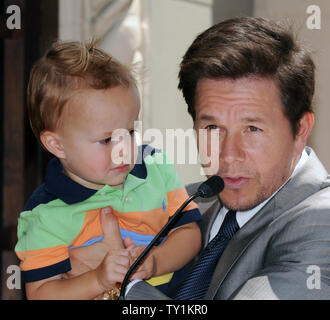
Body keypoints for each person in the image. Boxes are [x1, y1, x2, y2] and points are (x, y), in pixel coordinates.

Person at [122, 17, 330, 299]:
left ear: (301, 130)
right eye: (213, 128)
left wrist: (121, 284)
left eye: (252, 129)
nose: (228, 154)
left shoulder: (323, 221)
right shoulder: (184, 202)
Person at [14, 40, 202, 300]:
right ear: (57, 144)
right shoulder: (44, 215)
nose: (123, 149)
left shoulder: (156, 168)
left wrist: (155, 262)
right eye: (106, 140)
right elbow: (41, 293)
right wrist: (97, 279)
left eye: (131, 132)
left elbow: (189, 233)